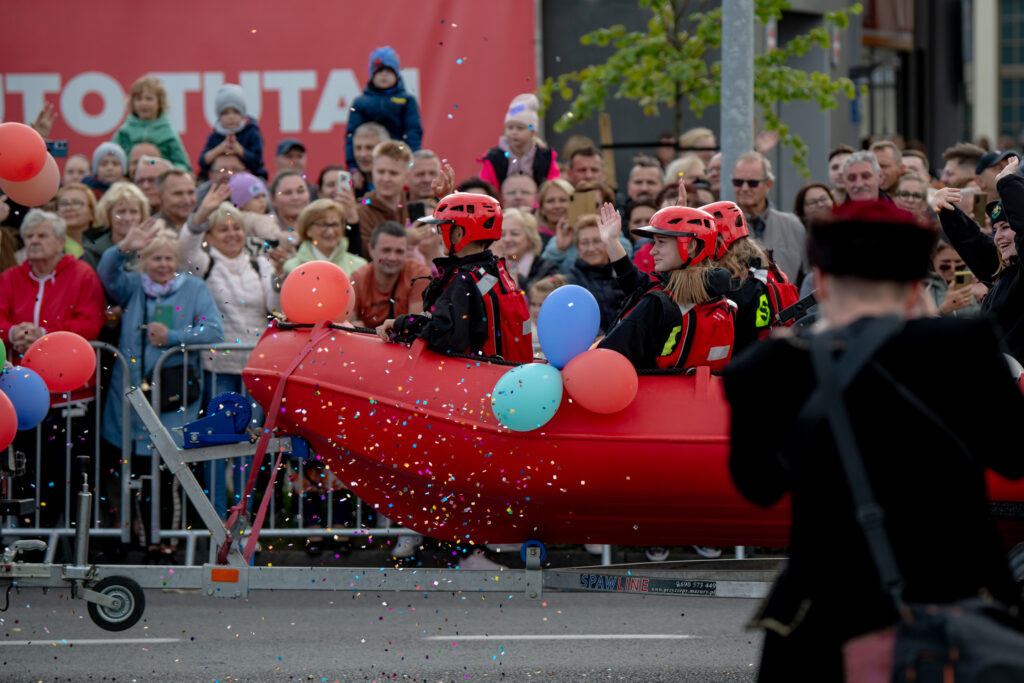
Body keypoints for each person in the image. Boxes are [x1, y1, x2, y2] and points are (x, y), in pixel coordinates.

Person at [722, 199, 1024, 680]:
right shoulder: (966, 350)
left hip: (825, 615)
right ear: (914, 286)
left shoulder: (769, 369)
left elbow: (758, 486)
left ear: (820, 282)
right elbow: (1013, 458)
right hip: (960, 604)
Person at [180, 187, 281, 516]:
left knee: (247, 448)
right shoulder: (205, 264)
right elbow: (186, 249)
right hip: (218, 371)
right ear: (210, 234)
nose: (232, 233)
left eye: (236, 227)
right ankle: (217, 518)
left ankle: (243, 519)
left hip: (254, 370)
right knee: (217, 447)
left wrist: (281, 282)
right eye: (223, 228)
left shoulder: (259, 263)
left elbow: (274, 305)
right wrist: (199, 216)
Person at [98, 220, 224, 457]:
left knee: (167, 464)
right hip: (129, 391)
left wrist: (172, 337)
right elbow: (106, 271)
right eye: (156, 258)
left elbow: (214, 331)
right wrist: (123, 247)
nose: (163, 265)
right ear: (144, 261)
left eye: (168, 258)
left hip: (173, 393)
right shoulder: (132, 285)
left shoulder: (194, 288)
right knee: (127, 467)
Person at [376, 192, 532, 363]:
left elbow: (443, 334)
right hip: (506, 373)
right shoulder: (495, 269)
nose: (438, 234)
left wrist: (403, 325)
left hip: (477, 380)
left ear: (458, 233)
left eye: (441, 228)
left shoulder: (463, 281)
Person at [596, 202, 735, 371]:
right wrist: (612, 242)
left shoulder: (658, 303)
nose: (653, 251)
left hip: (652, 395)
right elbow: (638, 284)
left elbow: (607, 358)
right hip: (703, 395)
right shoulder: (722, 299)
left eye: (661, 242)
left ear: (691, 246)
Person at [933, 156, 1024, 360]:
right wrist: (946, 210)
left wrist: (1007, 182)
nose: (998, 236)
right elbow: (973, 244)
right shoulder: (1005, 271)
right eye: (995, 229)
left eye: (1006, 227)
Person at [0, 209, 105, 362]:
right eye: (29, 236)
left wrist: (45, 334)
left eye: (42, 236)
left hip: (68, 374)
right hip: (17, 375)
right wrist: (13, 332)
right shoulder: (9, 277)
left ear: (61, 242)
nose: (34, 241)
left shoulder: (82, 275)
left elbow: (89, 324)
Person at [732, 151, 807, 284]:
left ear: (768, 185)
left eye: (752, 183)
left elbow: (808, 277)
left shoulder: (792, 226)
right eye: (738, 182)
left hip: (786, 303)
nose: (744, 188)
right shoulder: (721, 225)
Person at [345, 46, 422, 167]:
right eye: (379, 71)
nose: (384, 75)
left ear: (397, 75)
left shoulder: (407, 100)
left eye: (389, 71)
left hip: (398, 160)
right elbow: (352, 137)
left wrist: (411, 160)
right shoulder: (360, 102)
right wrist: (354, 167)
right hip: (369, 163)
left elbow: (413, 132)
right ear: (372, 75)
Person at [349, 221, 430, 329]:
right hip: (366, 343)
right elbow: (345, 324)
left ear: (407, 252)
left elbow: (414, 326)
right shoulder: (358, 278)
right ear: (371, 250)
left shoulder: (419, 275)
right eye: (386, 250)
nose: (392, 257)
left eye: (399, 252)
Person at [479, 93, 560, 189]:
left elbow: (553, 187)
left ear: (532, 131)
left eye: (520, 128)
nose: (514, 132)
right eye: (510, 128)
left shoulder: (546, 157)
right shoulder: (494, 158)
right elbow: (486, 188)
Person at [114, 76, 192, 172]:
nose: (144, 103)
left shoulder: (169, 134)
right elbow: (111, 158)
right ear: (132, 103)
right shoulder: (124, 132)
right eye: (138, 99)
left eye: (149, 99)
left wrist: (167, 171)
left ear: (159, 103)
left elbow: (183, 165)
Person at [566, 214, 627, 334]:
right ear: (578, 247)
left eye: (597, 241)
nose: (591, 248)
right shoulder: (570, 281)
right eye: (584, 243)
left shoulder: (622, 275)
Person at [354, 140, 413, 259]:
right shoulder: (360, 212)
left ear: (406, 177)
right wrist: (407, 240)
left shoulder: (414, 208)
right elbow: (365, 255)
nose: (386, 178)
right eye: (381, 172)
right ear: (372, 172)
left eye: (393, 173)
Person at [198, 84, 266, 180]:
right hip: (219, 181)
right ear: (219, 116)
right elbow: (202, 161)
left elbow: (257, 163)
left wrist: (239, 150)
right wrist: (219, 149)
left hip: (251, 179)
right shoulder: (215, 136)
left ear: (243, 114)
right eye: (225, 113)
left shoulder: (252, 133)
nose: (231, 117)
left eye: (236, 112)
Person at [284, 198, 367, 275]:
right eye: (323, 225)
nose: (330, 232)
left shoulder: (359, 267)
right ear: (308, 229)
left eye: (335, 224)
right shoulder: (292, 268)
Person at [83, 181, 150, 269]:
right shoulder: (93, 252)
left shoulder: (151, 249)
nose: (127, 218)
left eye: (134, 212)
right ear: (108, 215)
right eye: (121, 212)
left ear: (142, 215)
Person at [494, 208, 557, 290]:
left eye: (515, 234)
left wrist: (516, 280)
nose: (507, 239)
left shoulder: (546, 269)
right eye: (502, 234)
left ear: (530, 238)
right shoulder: (491, 266)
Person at [55, 183, 97, 258]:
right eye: (64, 203)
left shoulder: (103, 246)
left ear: (92, 212)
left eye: (76, 203)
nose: (68, 208)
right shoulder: (49, 247)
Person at [347, 122, 390, 196]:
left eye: (370, 148)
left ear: (385, 149)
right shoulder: (349, 185)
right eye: (358, 148)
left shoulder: (401, 183)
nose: (363, 154)